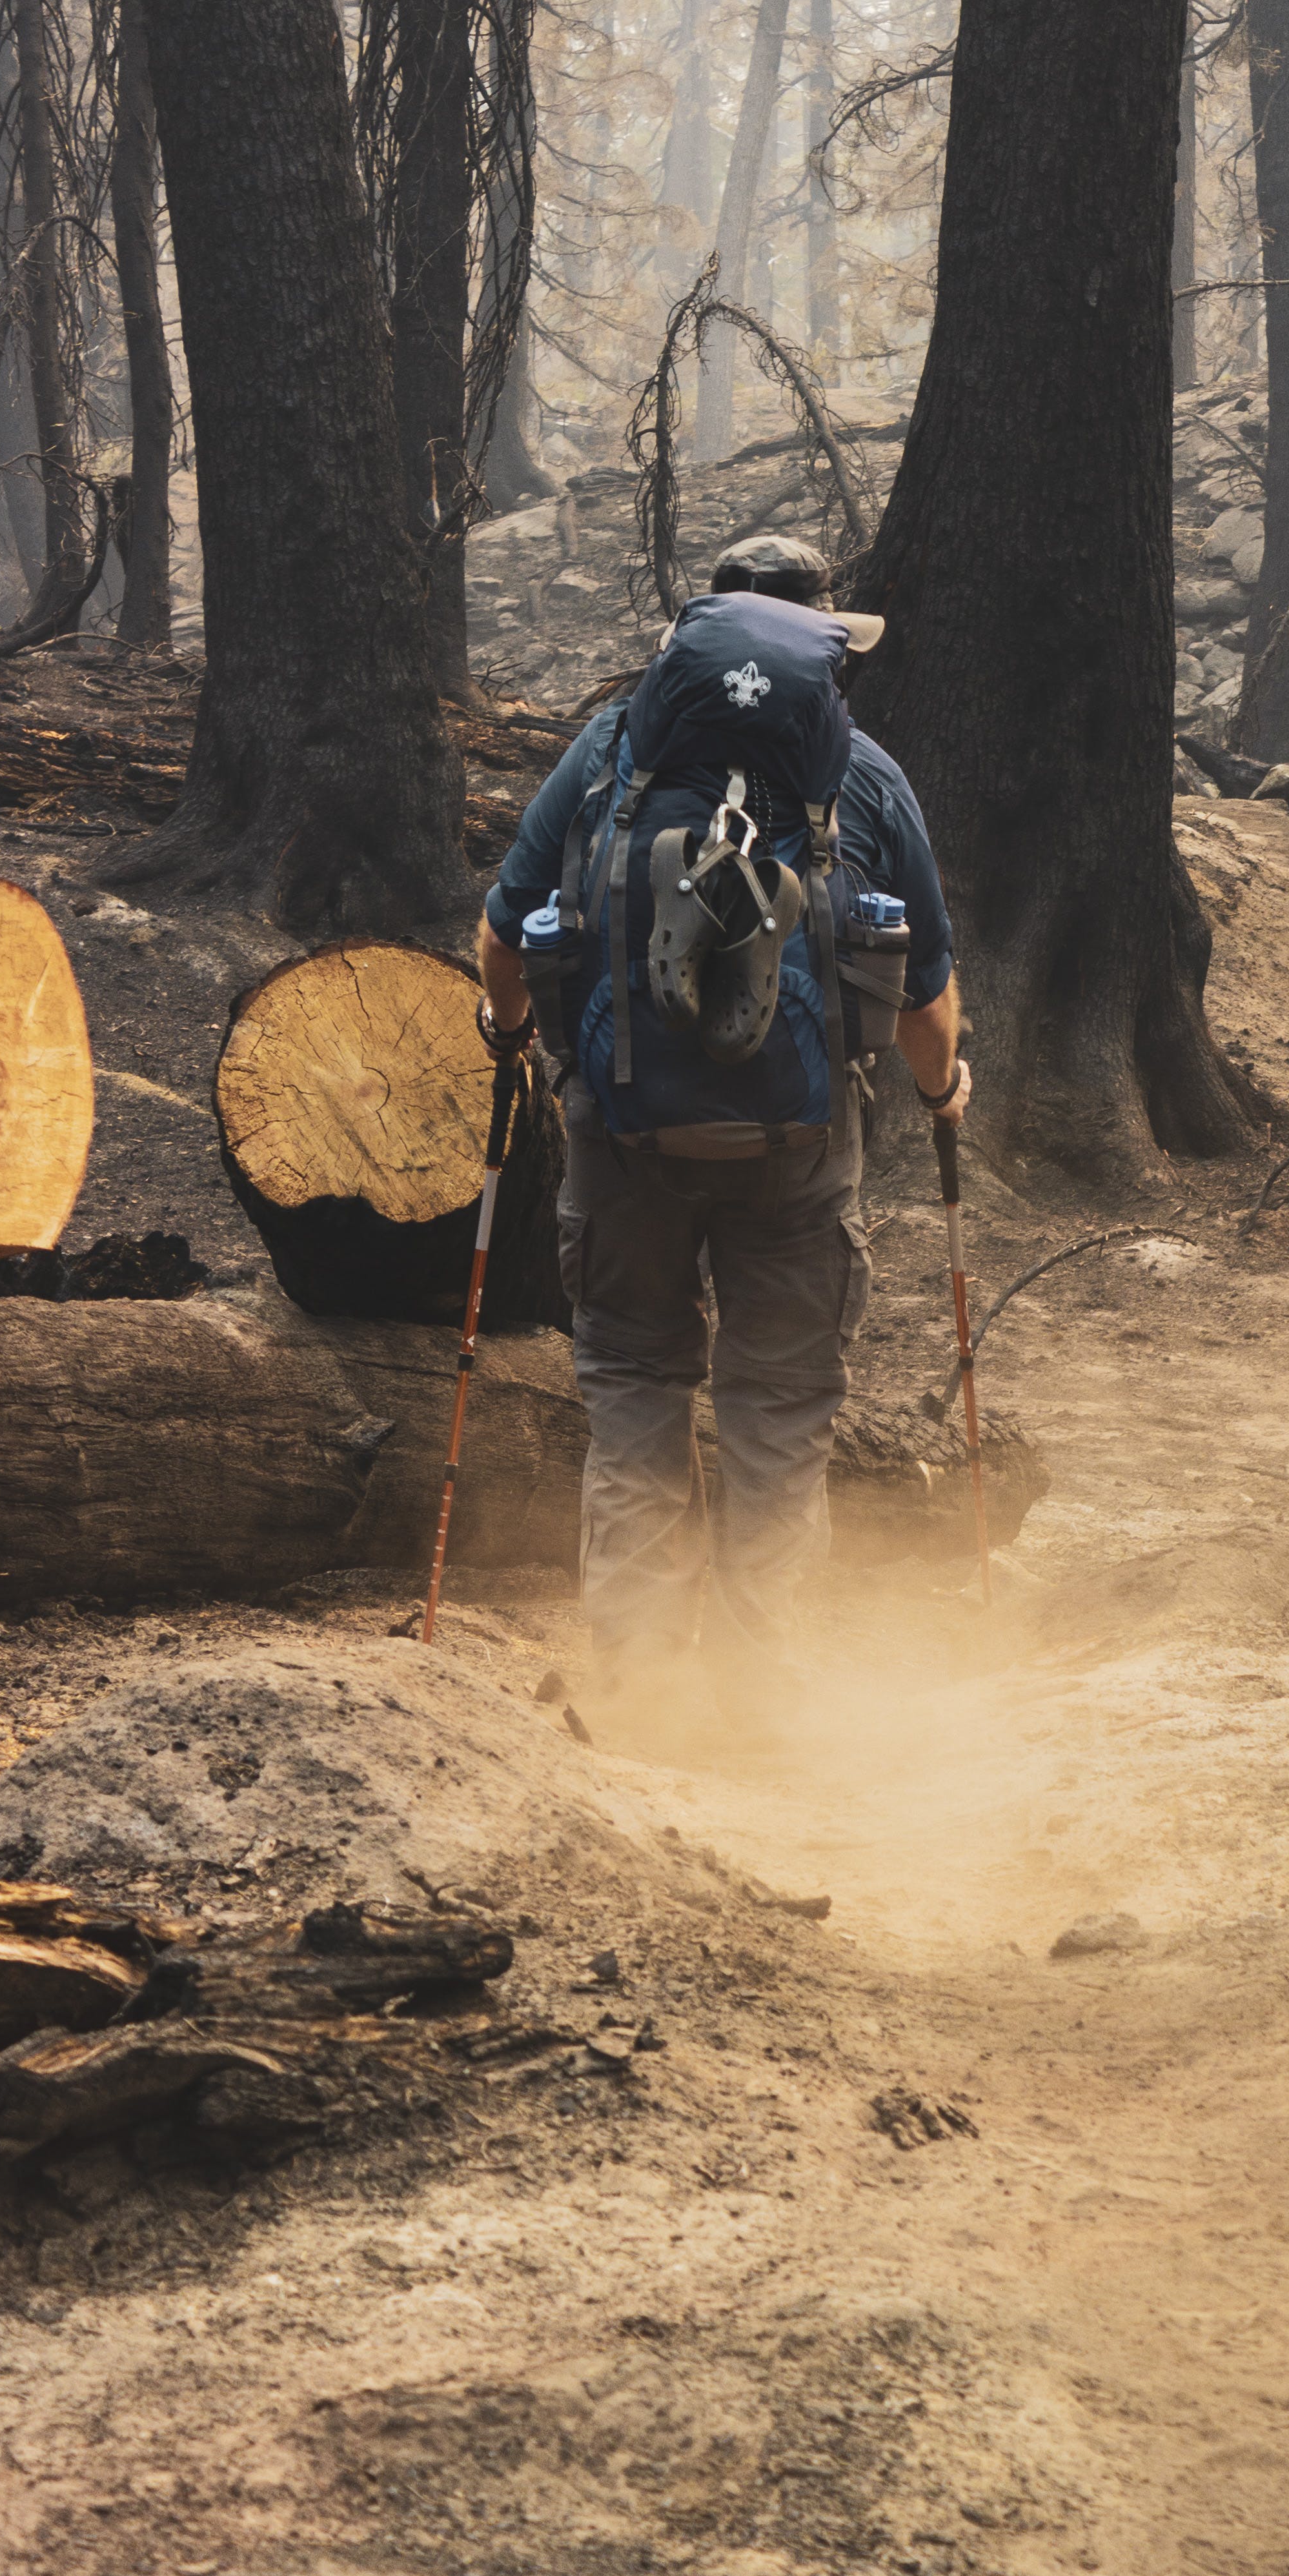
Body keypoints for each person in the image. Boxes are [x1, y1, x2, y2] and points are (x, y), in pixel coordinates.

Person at [476, 527, 966, 1729]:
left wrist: (509, 1033)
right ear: (826, 642)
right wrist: (945, 1090)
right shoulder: (863, 774)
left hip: (624, 1133)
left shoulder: (610, 750)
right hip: (799, 1147)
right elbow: (925, 994)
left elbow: (503, 933)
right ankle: (762, 1700)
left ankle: (640, 1687)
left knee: (637, 1386)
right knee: (778, 1416)